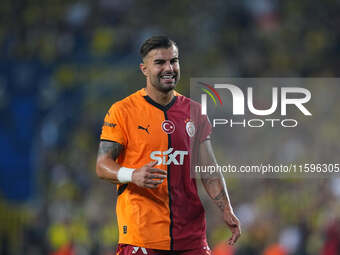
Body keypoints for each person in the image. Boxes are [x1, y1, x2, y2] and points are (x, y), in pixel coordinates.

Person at [96, 35, 241, 255]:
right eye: (160, 63)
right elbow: (102, 165)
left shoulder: (195, 111)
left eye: (174, 61)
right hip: (142, 236)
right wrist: (132, 174)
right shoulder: (123, 111)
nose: (169, 68)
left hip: (191, 237)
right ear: (144, 69)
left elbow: (209, 169)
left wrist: (226, 209)